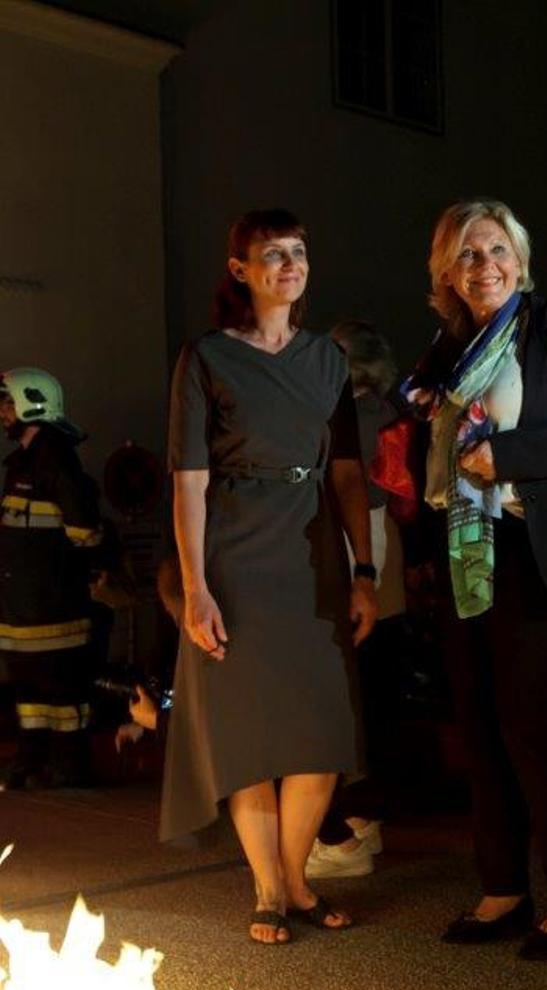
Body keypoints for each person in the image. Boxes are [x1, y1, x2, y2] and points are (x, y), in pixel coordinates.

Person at [404, 198, 547, 959]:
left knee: (537, 731)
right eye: (468, 254)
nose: (485, 265)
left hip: (541, 550)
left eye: (497, 249)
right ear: (447, 271)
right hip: (467, 552)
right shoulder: (446, 349)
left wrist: (512, 456)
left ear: (521, 259)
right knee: (480, 729)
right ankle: (503, 888)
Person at [162, 208, 378, 944]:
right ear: (241, 270)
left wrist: (364, 569)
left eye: (298, 253)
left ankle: (295, 880)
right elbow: (189, 480)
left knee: (322, 724)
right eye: (274, 254)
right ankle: (269, 889)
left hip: (311, 550)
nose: (290, 265)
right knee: (247, 728)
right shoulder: (206, 358)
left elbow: (347, 474)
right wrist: (196, 588)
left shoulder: (327, 361)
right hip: (235, 550)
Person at [305, 319, 403, 879]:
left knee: (347, 687)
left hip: (353, 547)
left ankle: (345, 824)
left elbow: (351, 488)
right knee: (368, 687)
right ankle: (364, 816)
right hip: (376, 548)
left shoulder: (359, 418)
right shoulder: (386, 413)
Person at [0, 368, 102, 790]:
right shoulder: (22, 463)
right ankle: (33, 761)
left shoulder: (56, 462)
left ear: (32, 404)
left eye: (8, 403)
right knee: (30, 698)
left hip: (55, 614)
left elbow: (85, 533)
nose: (3, 413)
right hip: (23, 614)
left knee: (63, 696)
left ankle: (68, 766)